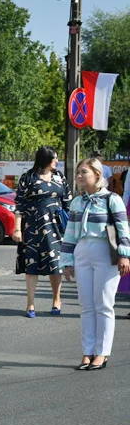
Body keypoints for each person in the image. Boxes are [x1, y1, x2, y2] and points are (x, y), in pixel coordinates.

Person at [61, 158, 130, 371]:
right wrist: (67, 261)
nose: (79, 176)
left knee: (104, 305)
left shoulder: (112, 199)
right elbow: (70, 233)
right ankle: (87, 352)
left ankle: (102, 353)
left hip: (104, 253)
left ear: (97, 175)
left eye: (84, 172)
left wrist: (125, 255)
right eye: (78, 173)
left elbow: (123, 229)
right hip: (82, 252)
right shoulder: (77, 202)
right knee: (86, 306)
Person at [12, 146, 72, 318]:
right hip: (33, 227)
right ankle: (30, 305)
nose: (57, 161)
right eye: (54, 158)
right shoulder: (28, 178)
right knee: (32, 266)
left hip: (56, 227)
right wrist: (17, 228)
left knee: (55, 265)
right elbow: (19, 204)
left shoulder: (59, 177)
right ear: (45, 159)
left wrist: (70, 227)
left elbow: (67, 202)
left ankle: (57, 299)